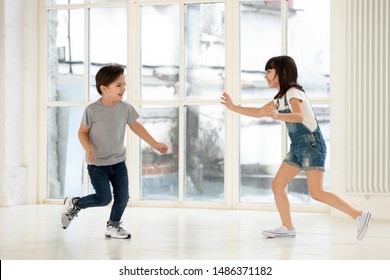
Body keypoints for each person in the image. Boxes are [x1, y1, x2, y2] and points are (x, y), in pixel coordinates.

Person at [221, 55, 371, 241]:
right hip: (298, 147)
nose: (265, 76)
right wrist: (233, 107)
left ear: (281, 72)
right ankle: (288, 227)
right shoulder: (280, 98)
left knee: (316, 192)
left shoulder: (293, 93)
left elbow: (298, 116)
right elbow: (260, 112)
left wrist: (277, 116)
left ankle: (359, 215)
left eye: (268, 71)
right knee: (277, 185)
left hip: (311, 144)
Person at [60, 64, 168, 239]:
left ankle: (113, 225)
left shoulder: (125, 108)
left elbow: (136, 127)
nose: (123, 88)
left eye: (124, 84)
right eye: (118, 85)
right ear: (104, 88)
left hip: (118, 162)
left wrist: (154, 143)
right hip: (98, 164)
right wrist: (88, 147)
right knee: (104, 199)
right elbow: (82, 132)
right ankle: (75, 203)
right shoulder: (92, 110)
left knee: (123, 197)